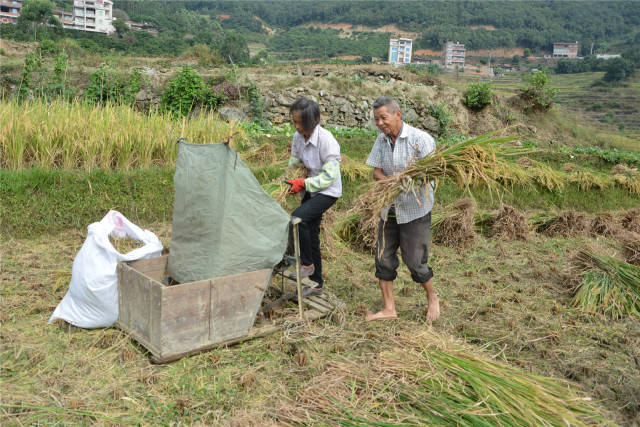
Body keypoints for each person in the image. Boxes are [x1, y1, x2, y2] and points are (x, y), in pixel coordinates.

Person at [365, 96, 440, 322]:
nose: (379, 123)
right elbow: (376, 171)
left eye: (383, 118)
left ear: (398, 115)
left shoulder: (420, 140)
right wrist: (389, 182)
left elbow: (432, 174)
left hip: (415, 210)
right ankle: (389, 309)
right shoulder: (381, 141)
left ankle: (432, 297)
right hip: (388, 209)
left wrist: (406, 181)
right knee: (383, 259)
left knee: (415, 261)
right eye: (376, 119)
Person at [286, 98, 342, 296]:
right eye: (294, 122)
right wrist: (290, 178)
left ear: (314, 121)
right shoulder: (297, 137)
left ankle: (307, 264)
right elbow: (295, 161)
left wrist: (304, 183)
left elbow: (330, 176)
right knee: (311, 233)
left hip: (327, 191)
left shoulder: (327, 141)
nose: (297, 127)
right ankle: (317, 285)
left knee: (297, 219)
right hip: (310, 188)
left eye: (301, 123)